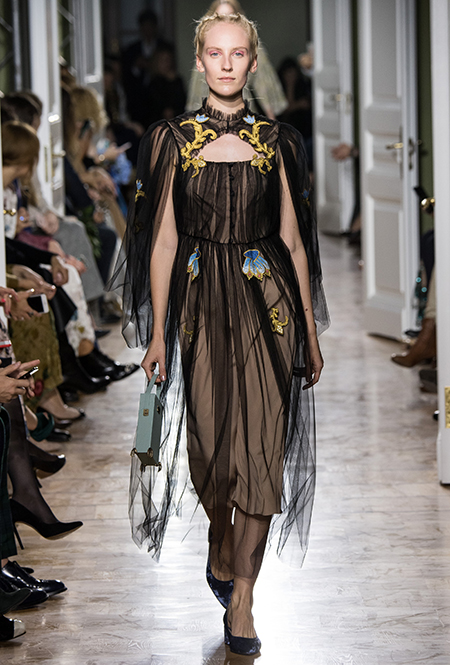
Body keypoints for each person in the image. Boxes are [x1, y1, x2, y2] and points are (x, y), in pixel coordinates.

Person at [116, 11, 328, 656]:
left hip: (270, 304)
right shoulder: (169, 139)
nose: (228, 63)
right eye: (216, 52)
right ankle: (218, 537)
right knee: (210, 449)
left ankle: (244, 599)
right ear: (199, 60)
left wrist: (310, 332)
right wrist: (156, 332)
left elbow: (293, 240)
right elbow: (162, 243)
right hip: (200, 303)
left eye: (239, 53)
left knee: (262, 448)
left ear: (254, 63)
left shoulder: (279, 141)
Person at [186, 1, 288, 119]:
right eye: (219, 17)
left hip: (243, 111)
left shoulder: (250, 44)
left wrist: (271, 119)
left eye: (230, 16)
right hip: (209, 114)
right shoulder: (205, 45)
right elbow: (197, 87)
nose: (227, 65)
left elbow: (262, 81)